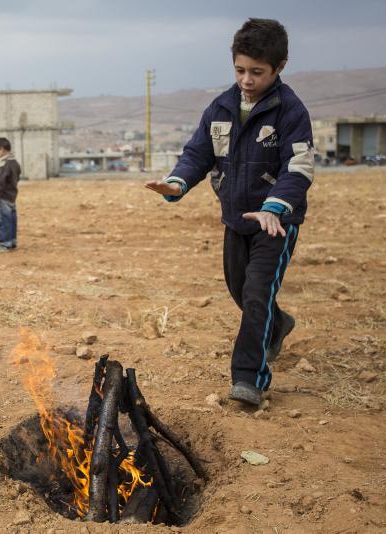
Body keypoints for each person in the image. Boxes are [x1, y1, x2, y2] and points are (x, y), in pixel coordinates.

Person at [145, 18, 314, 406]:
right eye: (240, 70)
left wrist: (275, 207)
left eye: (257, 72)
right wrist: (177, 184)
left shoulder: (290, 111)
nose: (247, 80)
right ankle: (278, 325)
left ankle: (248, 379)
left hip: (275, 224)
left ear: (279, 67)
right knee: (241, 290)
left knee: (256, 295)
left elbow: (299, 168)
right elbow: (198, 154)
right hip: (236, 220)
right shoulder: (220, 107)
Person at [0, 137, 21, 252]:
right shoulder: (15, 163)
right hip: (12, 195)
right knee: (12, 219)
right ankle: (12, 241)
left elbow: (0, 181)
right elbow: (17, 177)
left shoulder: (4, 164)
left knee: (3, 219)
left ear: (2, 149)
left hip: (3, 196)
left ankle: (5, 243)